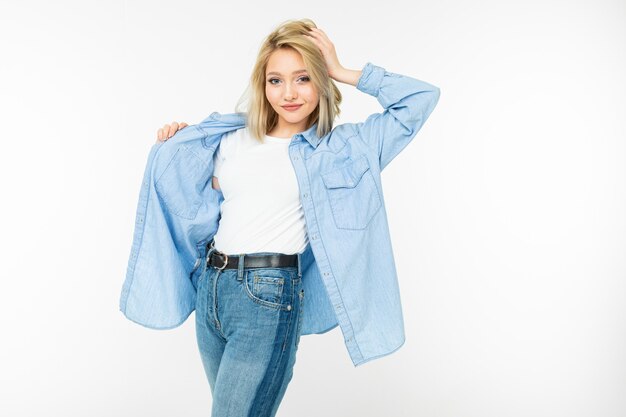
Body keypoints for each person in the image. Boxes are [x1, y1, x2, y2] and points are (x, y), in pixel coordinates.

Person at [124, 18, 440, 417]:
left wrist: (342, 70)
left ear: (321, 82)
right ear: (262, 84)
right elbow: (193, 199)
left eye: (303, 78)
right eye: (276, 80)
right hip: (213, 290)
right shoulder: (231, 139)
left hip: (268, 296)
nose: (288, 93)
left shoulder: (345, 148)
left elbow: (421, 99)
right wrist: (176, 143)